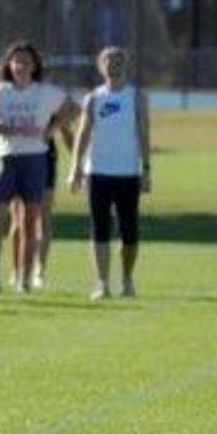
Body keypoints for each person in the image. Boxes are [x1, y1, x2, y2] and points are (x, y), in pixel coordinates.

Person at [0, 40, 74, 294]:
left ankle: (24, 278)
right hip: (8, 160)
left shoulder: (45, 92)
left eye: (26, 61)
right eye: (16, 61)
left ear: (34, 66)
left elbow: (73, 109)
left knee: (30, 221)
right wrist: (11, 130)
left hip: (35, 160)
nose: (21, 65)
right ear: (9, 65)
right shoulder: (1, 91)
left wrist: (50, 130)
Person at [67, 45, 152, 299]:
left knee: (129, 232)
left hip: (128, 173)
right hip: (98, 172)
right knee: (100, 228)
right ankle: (102, 283)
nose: (113, 67)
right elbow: (83, 134)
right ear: (100, 67)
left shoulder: (136, 97)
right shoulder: (93, 98)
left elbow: (144, 133)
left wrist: (146, 169)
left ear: (125, 66)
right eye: (108, 62)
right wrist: (76, 168)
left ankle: (127, 279)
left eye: (118, 62)